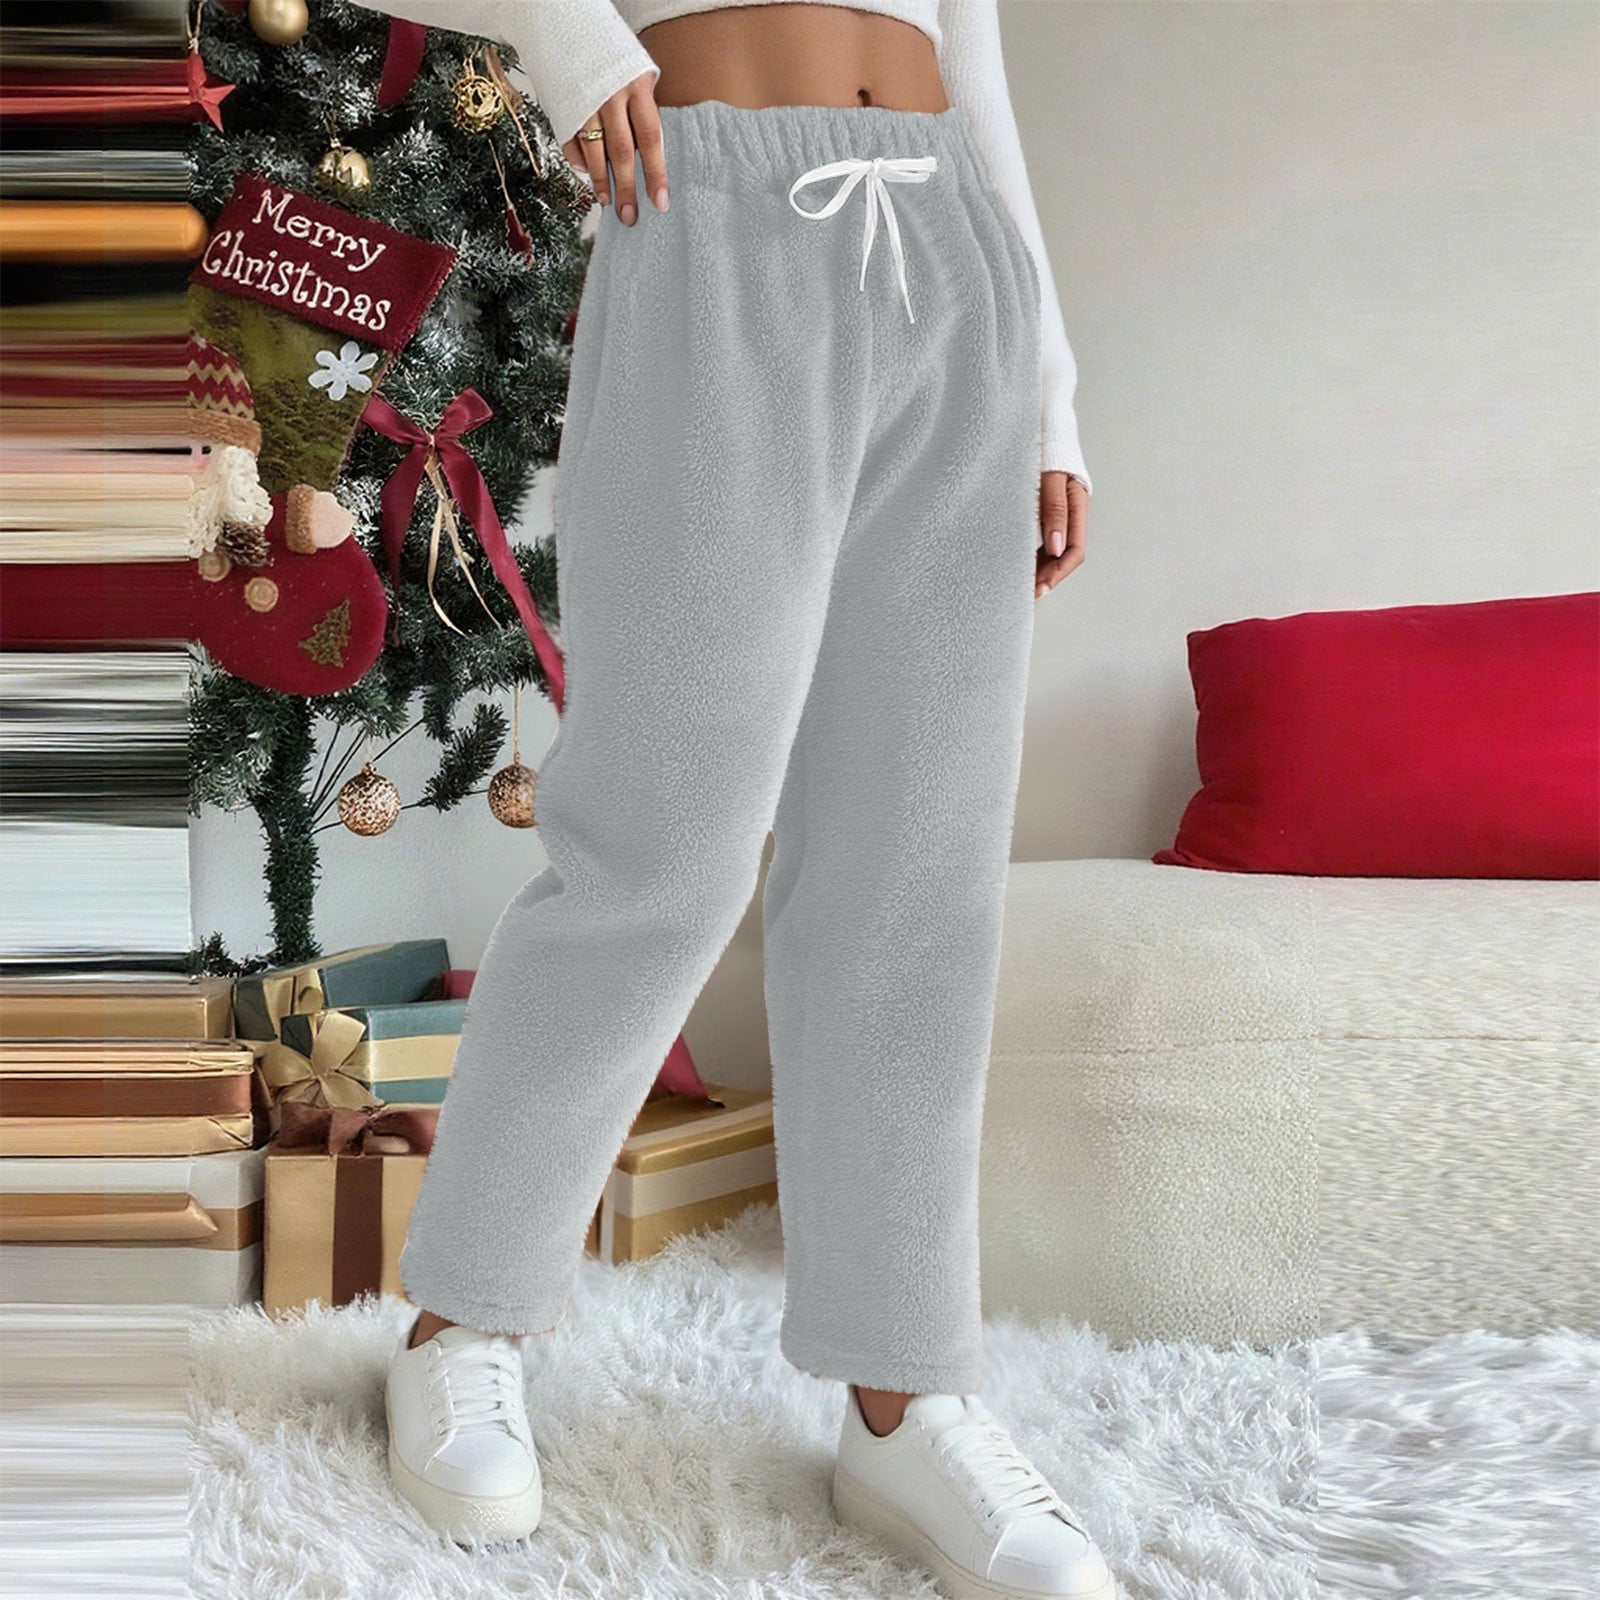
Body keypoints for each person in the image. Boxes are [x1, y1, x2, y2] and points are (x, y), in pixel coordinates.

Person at [348, 2, 1110, 1595]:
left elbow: (974, 65)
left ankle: (904, 1394)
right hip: (710, 227)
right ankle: (464, 1316)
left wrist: (1051, 399)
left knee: (917, 869)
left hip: (949, 248)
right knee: (659, 846)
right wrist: (571, 40)